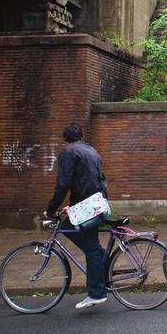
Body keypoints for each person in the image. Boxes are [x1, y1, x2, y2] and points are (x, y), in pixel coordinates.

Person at [43, 123, 109, 310]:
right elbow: (91, 179)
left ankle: (96, 293)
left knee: (91, 248)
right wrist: (72, 206)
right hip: (95, 203)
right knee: (91, 246)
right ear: (80, 135)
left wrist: (50, 210)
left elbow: (63, 184)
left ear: (66, 137)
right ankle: (103, 264)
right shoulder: (91, 150)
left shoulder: (69, 152)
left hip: (86, 207)